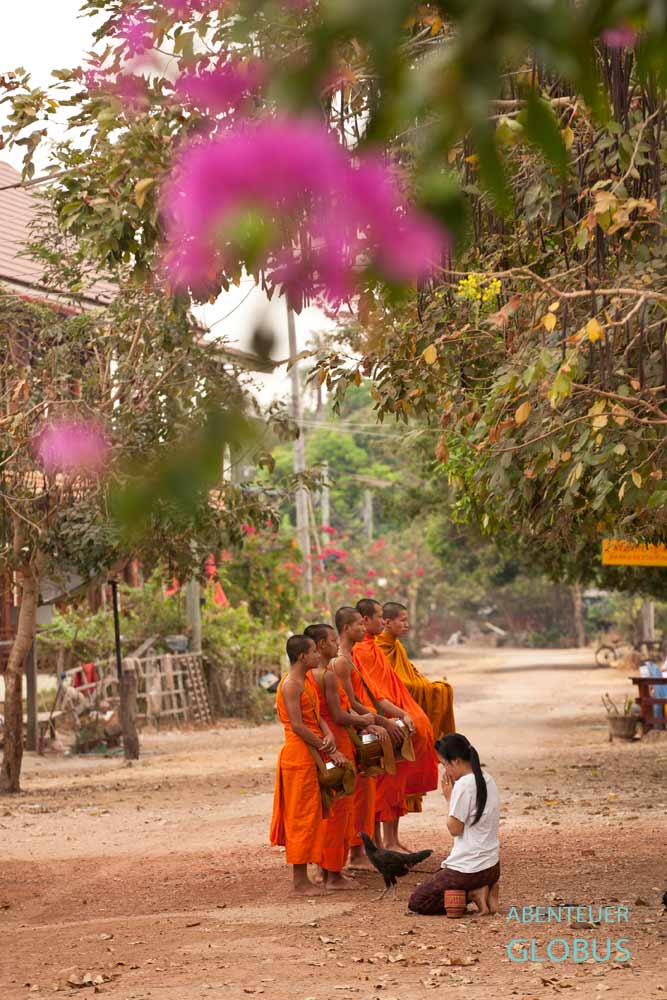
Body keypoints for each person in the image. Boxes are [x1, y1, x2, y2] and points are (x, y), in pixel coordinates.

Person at [354, 599, 438, 850]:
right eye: (379, 617)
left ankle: (391, 840)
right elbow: (374, 694)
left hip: (394, 722)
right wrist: (396, 715)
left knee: (394, 784)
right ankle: (378, 844)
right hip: (381, 724)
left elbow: (394, 685)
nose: (382, 621)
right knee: (380, 783)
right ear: (365, 621)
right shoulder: (361, 652)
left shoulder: (376, 648)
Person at [269, 634, 348, 895]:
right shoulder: (291, 684)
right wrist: (327, 748)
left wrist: (328, 734)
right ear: (302, 656)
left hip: (313, 749)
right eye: (314, 651)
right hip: (299, 756)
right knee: (300, 817)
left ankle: (307, 877)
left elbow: (317, 716)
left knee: (313, 815)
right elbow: (298, 725)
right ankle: (299, 881)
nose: (317, 655)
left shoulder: (308, 681)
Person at [332, 606, 405, 866]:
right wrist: (376, 721)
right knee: (354, 796)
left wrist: (379, 719)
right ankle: (353, 854)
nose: (364, 629)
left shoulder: (352, 657)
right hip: (352, 732)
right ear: (346, 629)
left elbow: (361, 698)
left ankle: (361, 851)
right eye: (359, 626)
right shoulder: (341, 661)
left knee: (365, 795)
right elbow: (347, 703)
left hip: (362, 727)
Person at [304, 622, 372, 888]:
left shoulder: (303, 677)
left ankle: (325, 869)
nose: (336, 645)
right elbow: (338, 714)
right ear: (321, 645)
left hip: (321, 745)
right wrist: (368, 719)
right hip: (337, 743)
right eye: (333, 641)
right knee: (340, 810)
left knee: (327, 808)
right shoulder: (326, 675)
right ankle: (333, 873)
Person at [408, 733, 500, 916]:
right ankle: (482, 888)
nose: (445, 771)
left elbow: (455, 829)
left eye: (444, 765)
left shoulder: (464, 785)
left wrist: (449, 799)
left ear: (456, 761)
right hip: (492, 867)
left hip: (470, 868)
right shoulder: (486, 778)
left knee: (419, 901)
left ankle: (473, 892)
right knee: (438, 877)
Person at [378, 602, 456, 742]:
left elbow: (409, 670)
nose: (407, 625)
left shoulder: (396, 644)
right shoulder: (378, 645)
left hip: (404, 688)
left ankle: (439, 744)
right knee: (430, 692)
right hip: (390, 696)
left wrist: (422, 683)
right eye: (403, 620)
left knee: (443, 689)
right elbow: (386, 680)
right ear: (388, 622)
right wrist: (416, 685)